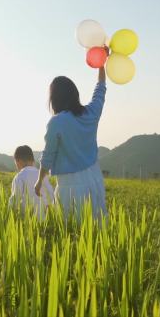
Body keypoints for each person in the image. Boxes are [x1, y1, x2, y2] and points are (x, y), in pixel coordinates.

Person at [34, 65, 108, 220]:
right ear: (75, 94)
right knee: (95, 230)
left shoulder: (57, 122)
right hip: (95, 179)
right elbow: (100, 90)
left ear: (54, 99)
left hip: (70, 184)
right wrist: (101, 65)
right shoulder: (91, 112)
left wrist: (39, 181)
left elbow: (48, 156)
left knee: (70, 232)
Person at [9, 145, 55, 218]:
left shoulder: (19, 177)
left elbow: (15, 198)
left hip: (27, 218)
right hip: (45, 217)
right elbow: (51, 194)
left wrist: (9, 213)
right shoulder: (42, 175)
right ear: (33, 160)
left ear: (18, 161)